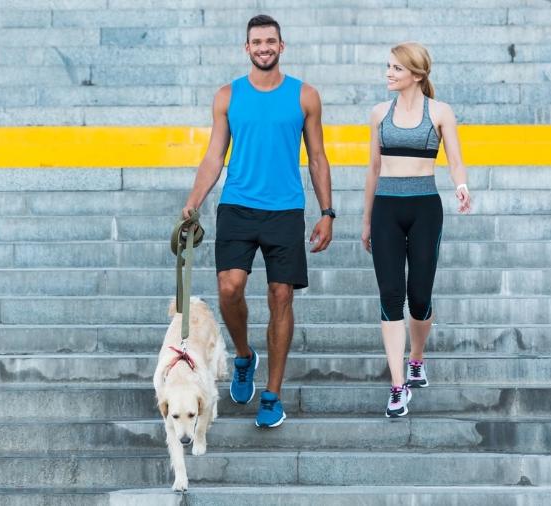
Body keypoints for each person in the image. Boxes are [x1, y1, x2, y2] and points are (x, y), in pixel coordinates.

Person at [181, 14, 334, 428]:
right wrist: (195, 200)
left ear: (281, 46)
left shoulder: (305, 96)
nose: (264, 47)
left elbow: (318, 157)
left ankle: (273, 394)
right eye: (256, 42)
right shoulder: (228, 96)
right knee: (229, 288)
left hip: (285, 210)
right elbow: (215, 156)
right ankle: (245, 355)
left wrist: (327, 212)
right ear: (246, 48)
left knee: (281, 295)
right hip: (238, 205)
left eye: (271, 41)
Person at [362, 42, 471, 418]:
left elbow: (455, 159)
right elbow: (373, 171)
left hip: (425, 208)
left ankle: (417, 358)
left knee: (419, 296)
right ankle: (396, 386)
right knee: (391, 295)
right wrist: (366, 220)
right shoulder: (379, 113)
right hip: (386, 210)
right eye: (388, 66)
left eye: (396, 68)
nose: (388, 73)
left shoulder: (440, 112)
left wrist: (461, 186)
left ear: (417, 74)